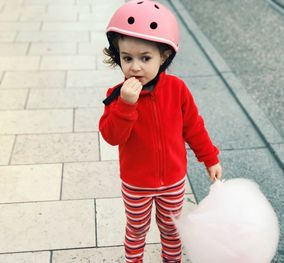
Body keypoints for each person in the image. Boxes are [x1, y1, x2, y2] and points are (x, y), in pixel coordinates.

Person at [99, 1, 222, 262]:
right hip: (136, 183)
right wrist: (125, 106)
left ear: (164, 56)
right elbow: (111, 136)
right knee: (136, 229)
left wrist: (209, 157)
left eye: (145, 58)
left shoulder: (177, 90)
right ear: (117, 55)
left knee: (171, 229)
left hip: (173, 180)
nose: (134, 67)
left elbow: (194, 127)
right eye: (127, 58)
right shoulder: (116, 96)